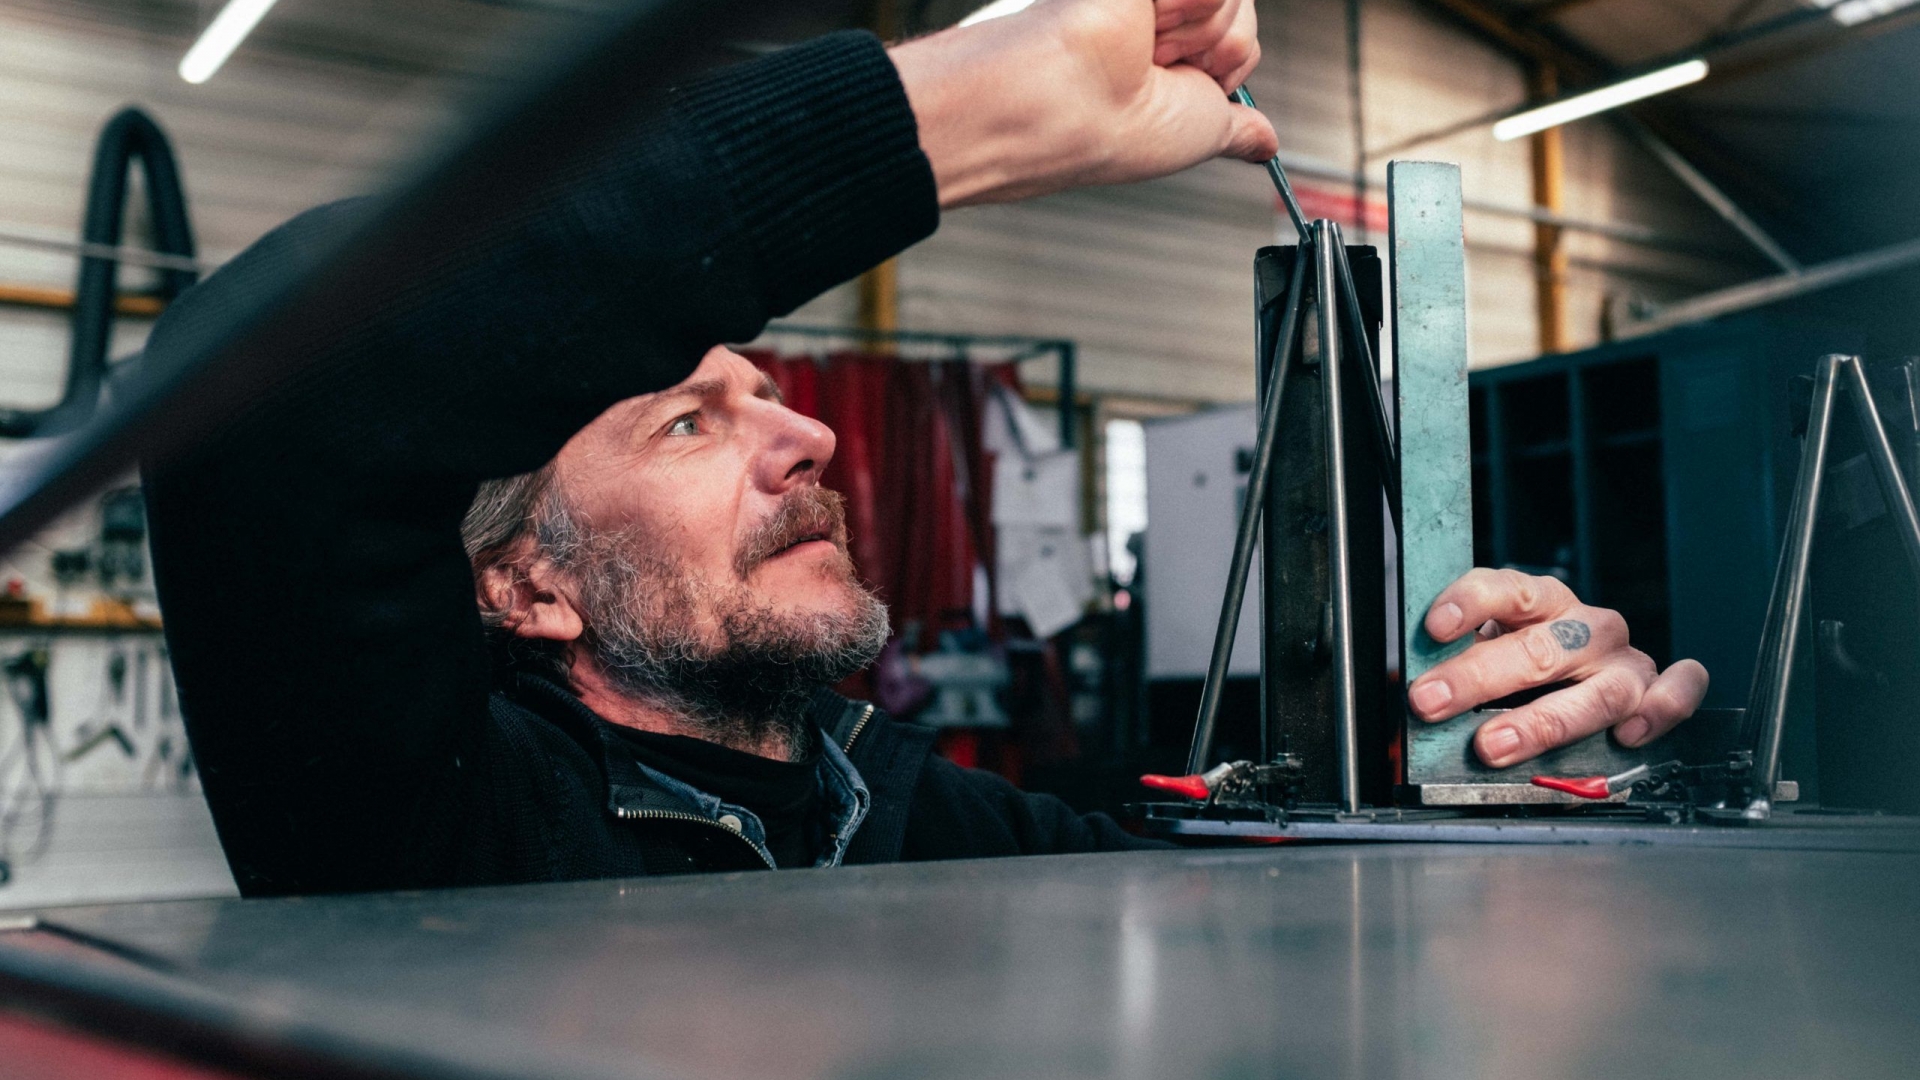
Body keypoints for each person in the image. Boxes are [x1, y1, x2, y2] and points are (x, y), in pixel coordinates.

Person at [142, 0, 1707, 898]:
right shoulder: (439, 831)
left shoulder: (927, 821)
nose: (805, 433)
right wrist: (966, 110)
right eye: (690, 417)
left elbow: (1319, 936)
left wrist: (1516, 768)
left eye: (771, 393)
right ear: (526, 589)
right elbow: (279, 391)